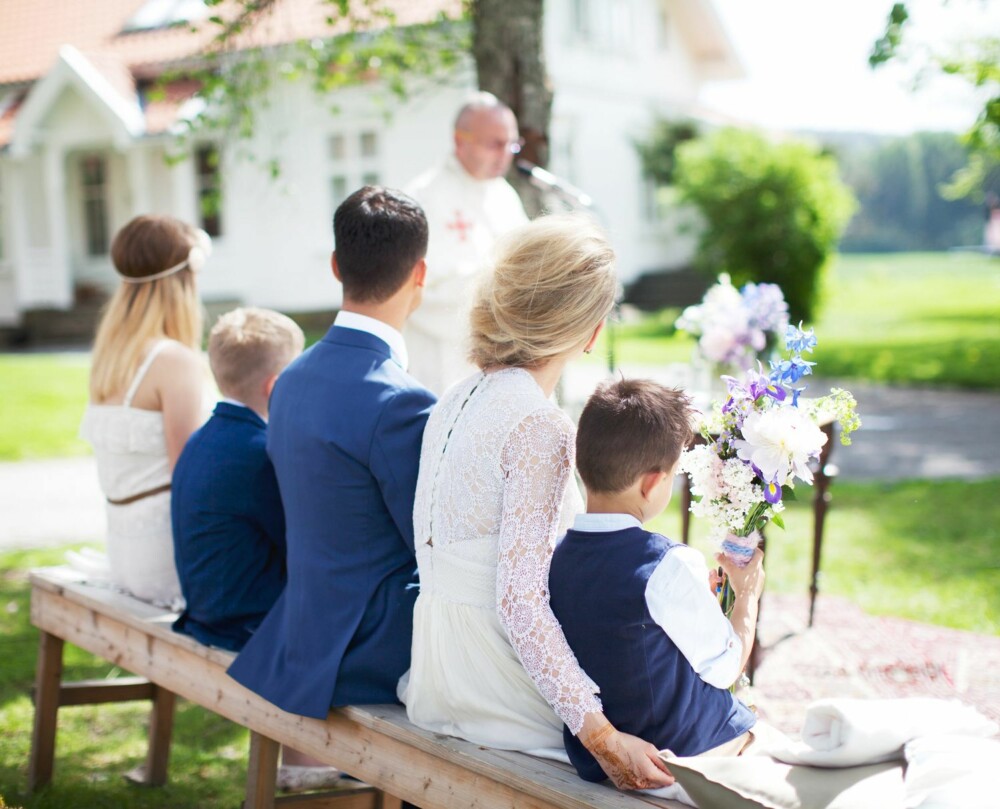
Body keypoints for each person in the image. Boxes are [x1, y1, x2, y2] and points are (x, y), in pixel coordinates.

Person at [399, 215, 674, 791]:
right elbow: (521, 602)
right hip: (490, 678)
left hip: (436, 664)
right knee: (679, 751)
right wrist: (601, 736)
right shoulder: (538, 425)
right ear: (592, 331)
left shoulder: (454, 397)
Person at [227, 186, 437, 720]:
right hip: (368, 644)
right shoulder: (400, 400)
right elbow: (433, 546)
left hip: (301, 626)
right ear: (420, 274)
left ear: (336, 265)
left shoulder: (290, 380)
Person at [548, 379, 763, 789]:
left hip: (596, 765)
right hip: (681, 760)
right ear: (651, 483)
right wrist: (747, 594)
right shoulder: (667, 563)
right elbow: (726, 669)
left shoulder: (556, 558)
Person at [79, 214, 209, 607]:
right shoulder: (175, 361)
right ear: (185, 280)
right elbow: (190, 480)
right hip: (162, 559)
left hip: (123, 549)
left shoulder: (111, 355)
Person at [171, 307, 304, 652]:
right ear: (276, 385)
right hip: (246, 627)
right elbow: (299, 544)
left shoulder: (200, 440)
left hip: (209, 612)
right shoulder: (260, 453)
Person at [403, 91, 529, 395]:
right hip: (442, 357)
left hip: (503, 358)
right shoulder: (423, 198)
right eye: (494, 144)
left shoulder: (505, 196)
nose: (505, 154)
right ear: (460, 141)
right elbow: (414, 288)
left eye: (511, 143)